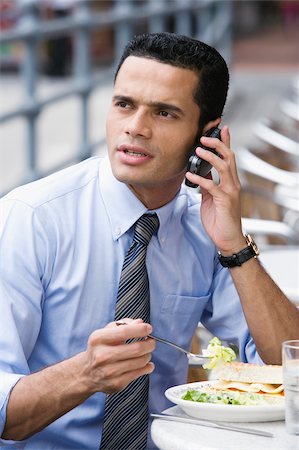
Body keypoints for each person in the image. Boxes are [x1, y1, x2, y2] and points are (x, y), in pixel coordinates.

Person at [0, 32, 298, 449]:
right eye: (124, 104)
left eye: (164, 113)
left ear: (207, 136)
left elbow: (289, 368)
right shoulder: (32, 219)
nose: (135, 128)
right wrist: (86, 373)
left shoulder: (205, 226)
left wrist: (236, 248)